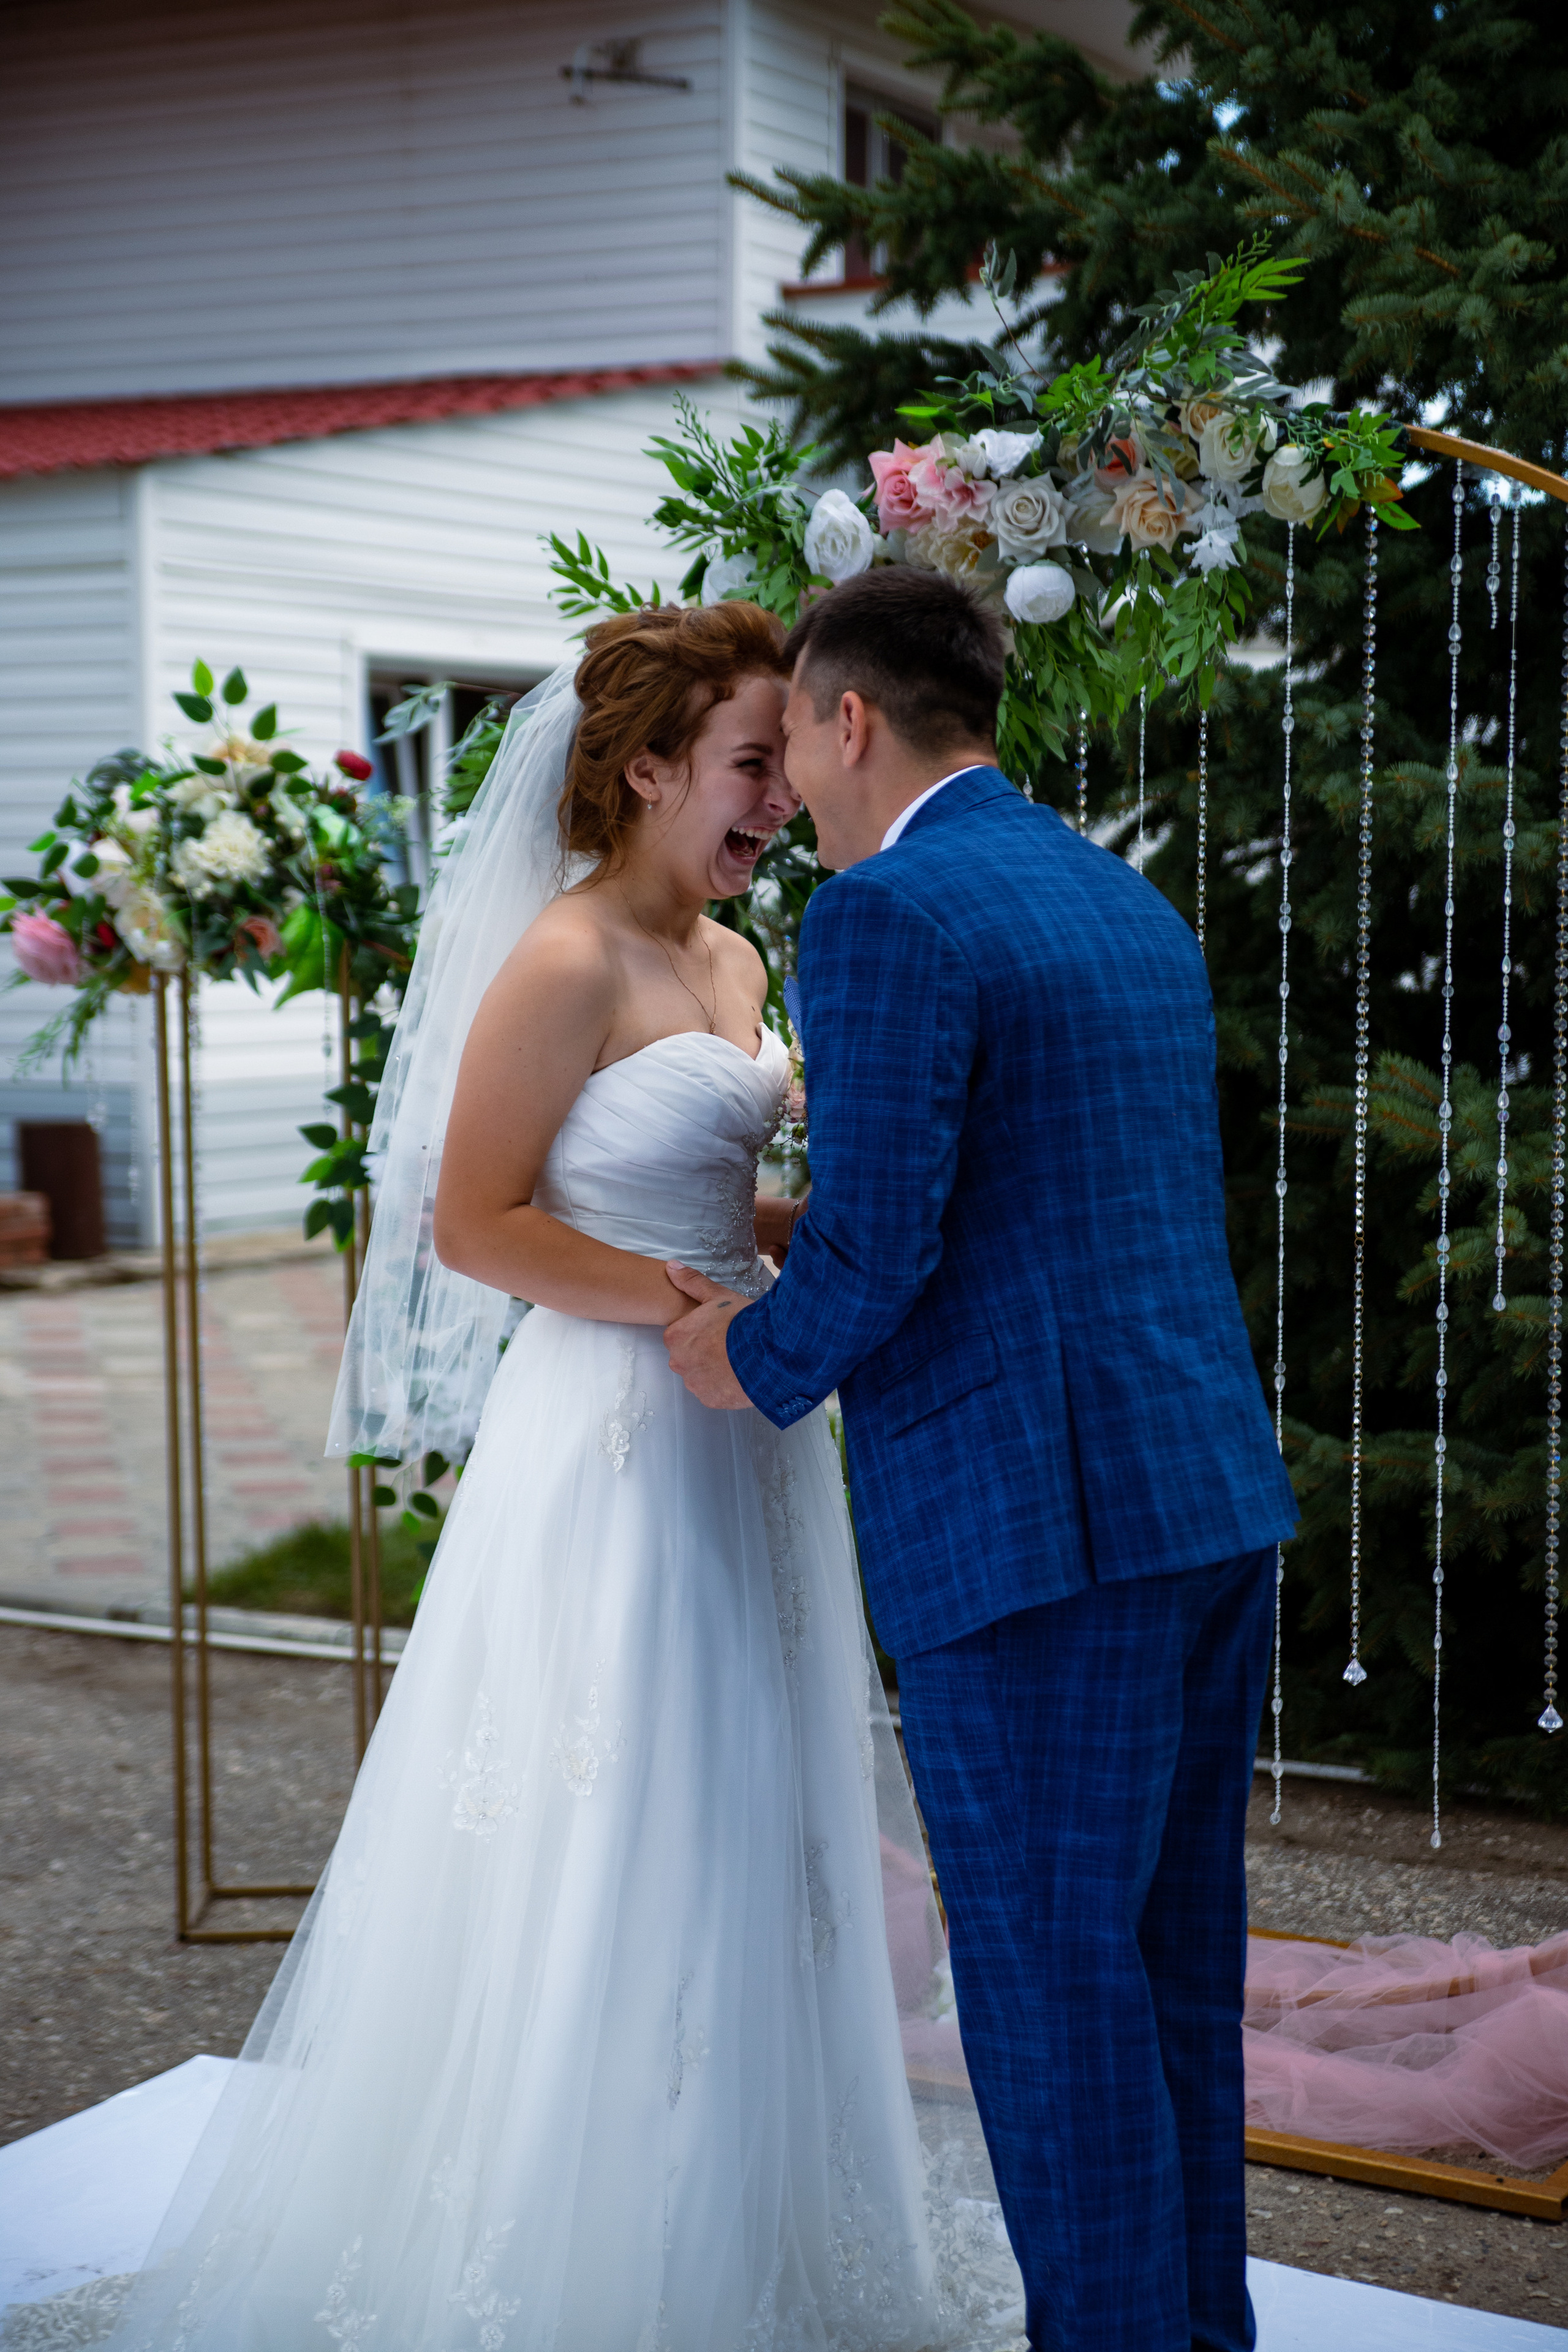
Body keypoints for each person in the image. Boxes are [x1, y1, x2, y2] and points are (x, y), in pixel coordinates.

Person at [92, 603, 1023, 2352]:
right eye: (747, 763)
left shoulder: (738, 954)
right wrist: (684, 1304)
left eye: (781, 760)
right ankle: (574, 2238)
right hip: (615, 1432)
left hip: (747, 1423)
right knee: (620, 1803)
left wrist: (803, 1252)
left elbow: (703, 1192)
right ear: (650, 768)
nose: (776, 796)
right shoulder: (566, 957)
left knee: (755, 1795)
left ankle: (743, 2217)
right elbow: (477, 1223)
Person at [665, 568, 1300, 2352]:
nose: (789, 778)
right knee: (1170, 1966)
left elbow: (885, 1245)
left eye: (793, 736)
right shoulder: (1120, 895)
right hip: (1202, 1497)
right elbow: (1045, 1196)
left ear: (852, 718)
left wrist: (743, 1356)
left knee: (1045, 1985)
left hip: (1034, 1531)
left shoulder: (885, 913)